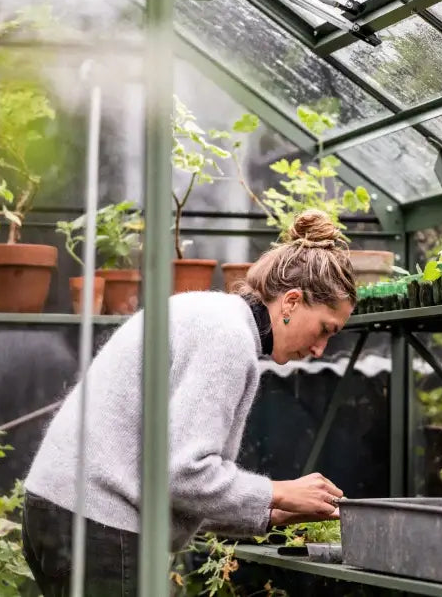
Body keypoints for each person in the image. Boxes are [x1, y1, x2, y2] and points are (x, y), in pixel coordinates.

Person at [22, 209, 357, 596]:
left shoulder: (212, 314)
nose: (320, 349)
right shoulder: (227, 337)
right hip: (97, 520)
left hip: (60, 506)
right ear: (292, 302)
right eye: (325, 330)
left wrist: (267, 513)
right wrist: (278, 491)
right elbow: (181, 474)